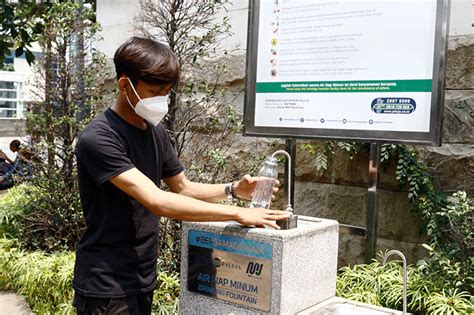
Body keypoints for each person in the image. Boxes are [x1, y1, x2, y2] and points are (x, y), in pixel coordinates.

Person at [72, 37, 289, 315]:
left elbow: (183, 187)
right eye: (154, 90)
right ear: (124, 85)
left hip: (142, 277)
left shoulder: (155, 131)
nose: (162, 98)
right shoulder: (99, 138)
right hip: (106, 285)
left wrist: (234, 190)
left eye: (167, 91)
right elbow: (157, 200)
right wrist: (237, 214)